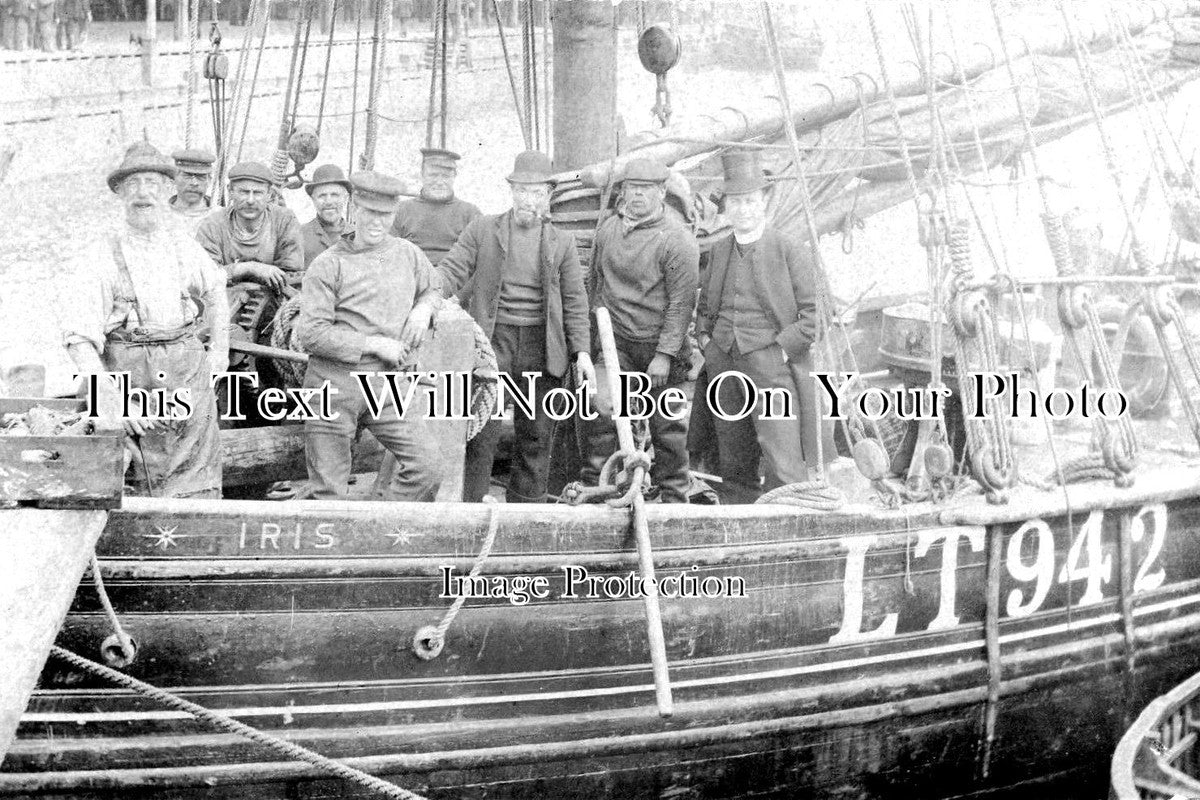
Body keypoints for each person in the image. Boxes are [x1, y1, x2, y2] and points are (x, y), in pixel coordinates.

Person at [61, 142, 230, 498]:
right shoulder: (100, 256)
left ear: (169, 190)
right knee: (138, 485)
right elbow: (80, 342)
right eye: (133, 184)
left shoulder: (182, 246)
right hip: (131, 384)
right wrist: (114, 401)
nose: (143, 193)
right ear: (120, 192)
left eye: (152, 183)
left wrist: (219, 355)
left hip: (189, 383)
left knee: (200, 485)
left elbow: (216, 292)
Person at [437, 150, 594, 503]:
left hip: (543, 347)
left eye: (537, 192)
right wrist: (426, 297)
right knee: (481, 433)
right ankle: (473, 512)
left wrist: (581, 352)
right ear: (512, 191)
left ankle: (527, 514)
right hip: (493, 344)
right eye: (522, 190)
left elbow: (575, 302)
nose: (529, 199)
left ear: (548, 196)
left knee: (537, 436)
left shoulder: (562, 242)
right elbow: (451, 271)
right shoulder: (482, 230)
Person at [297, 170, 443, 501]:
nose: (377, 223)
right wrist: (375, 344)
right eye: (370, 214)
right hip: (333, 386)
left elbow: (434, 286)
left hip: (387, 385)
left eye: (386, 215)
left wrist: (424, 308)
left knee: (428, 466)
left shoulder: (407, 253)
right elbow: (311, 333)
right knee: (328, 493)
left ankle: (383, 528)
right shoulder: (328, 264)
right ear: (354, 210)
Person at [696, 150, 825, 502]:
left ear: (764, 201)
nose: (742, 209)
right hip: (724, 362)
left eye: (750, 201)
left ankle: (791, 524)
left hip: (770, 366)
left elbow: (813, 318)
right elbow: (705, 308)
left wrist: (779, 352)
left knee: (783, 459)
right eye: (735, 202)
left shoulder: (789, 249)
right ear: (726, 207)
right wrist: (708, 343)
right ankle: (741, 520)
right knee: (733, 456)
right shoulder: (720, 250)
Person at [582, 157, 699, 503]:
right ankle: (597, 492)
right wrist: (594, 347)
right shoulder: (608, 231)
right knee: (601, 412)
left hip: (662, 349)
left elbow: (681, 305)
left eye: (645, 190)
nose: (636, 197)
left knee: (667, 430)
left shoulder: (676, 239)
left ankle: (675, 499)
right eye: (631, 189)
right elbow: (595, 284)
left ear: (662, 192)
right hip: (616, 342)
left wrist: (664, 356)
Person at [195, 160, 305, 290]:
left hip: (273, 298)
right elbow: (204, 275)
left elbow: (291, 274)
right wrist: (249, 268)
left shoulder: (284, 220)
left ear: (269, 194)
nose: (250, 200)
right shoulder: (212, 225)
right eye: (244, 192)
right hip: (223, 298)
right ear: (230, 191)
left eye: (258, 193)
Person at [390, 147, 480, 266]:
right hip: (410, 275)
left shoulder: (470, 213)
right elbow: (386, 252)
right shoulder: (401, 209)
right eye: (433, 175)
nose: (439, 182)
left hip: (455, 278)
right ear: (422, 175)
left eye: (446, 176)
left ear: (454, 176)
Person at [300, 164, 351, 268]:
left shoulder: (360, 237)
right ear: (313, 199)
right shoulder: (299, 235)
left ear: (345, 198)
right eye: (322, 196)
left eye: (334, 195)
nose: (328, 201)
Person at [169, 148, 216, 234]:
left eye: (200, 177)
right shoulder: (160, 214)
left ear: (209, 180)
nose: (194, 183)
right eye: (187, 176)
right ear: (174, 178)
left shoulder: (221, 217)